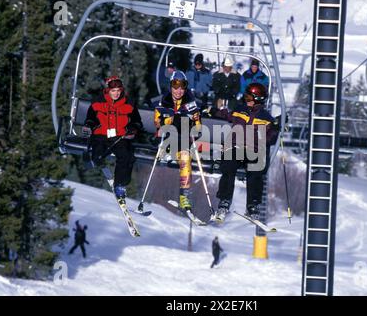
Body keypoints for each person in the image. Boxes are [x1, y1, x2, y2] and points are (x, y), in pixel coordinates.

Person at [205, 83, 279, 221]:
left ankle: (252, 205)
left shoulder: (266, 118)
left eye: (249, 97)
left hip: (253, 150)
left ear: (258, 99)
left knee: (256, 171)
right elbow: (226, 114)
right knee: (228, 167)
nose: (246, 100)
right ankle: (225, 201)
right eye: (246, 97)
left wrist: (275, 128)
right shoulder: (240, 110)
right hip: (236, 147)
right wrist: (213, 111)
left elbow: (271, 139)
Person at [83, 76, 143, 199]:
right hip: (101, 134)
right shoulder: (98, 101)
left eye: (118, 91)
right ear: (107, 90)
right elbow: (90, 117)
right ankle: (102, 166)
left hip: (119, 136)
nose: (116, 94)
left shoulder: (129, 102)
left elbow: (137, 120)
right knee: (97, 155)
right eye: (113, 91)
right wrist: (89, 125)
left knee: (126, 157)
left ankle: (120, 185)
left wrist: (133, 128)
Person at [154, 71, 201, 212]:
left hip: (183, 143)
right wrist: (167, 118)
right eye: (175, 86)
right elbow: (157, 122)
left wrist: (193, 122)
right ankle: (167, 153)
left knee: (186, 159)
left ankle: (184, 196)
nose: (179, 90)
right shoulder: (164, 101)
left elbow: (198, 127)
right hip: (168, 140)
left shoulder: (192, 104)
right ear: (171, 86)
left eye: (182, 87)